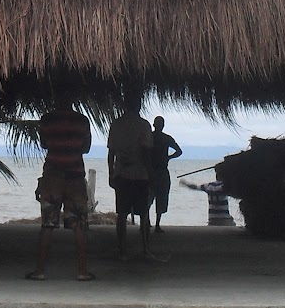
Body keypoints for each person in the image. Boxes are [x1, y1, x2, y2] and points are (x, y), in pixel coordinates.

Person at [27, 104, 95, 280]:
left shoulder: (47, 120)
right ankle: (82, 271)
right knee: (79, 224)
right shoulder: (82, 121)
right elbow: (86, 148)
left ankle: (40, 271)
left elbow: (44, 144)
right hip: (75, 176)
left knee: (47, 225)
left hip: (52, 175)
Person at [106, 98, 154, 260]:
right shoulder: (144, 125)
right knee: (144, 214)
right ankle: (146, 249)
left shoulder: (116, 125)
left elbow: (111, 153)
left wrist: (110, 173)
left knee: (122, 214)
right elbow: (146, 152)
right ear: (139, 106)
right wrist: (151, 174)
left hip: (121, 174)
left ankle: (122, 251)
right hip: (140, 175)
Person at [148, 115, 183, 232]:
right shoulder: (166, 138)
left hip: (151, 171)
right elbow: (179, 151)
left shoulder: (149, 137)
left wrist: (168, 158)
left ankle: (147, 222)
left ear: (154, 125)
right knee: (160, 198)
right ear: (162, 126)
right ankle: (156, 224)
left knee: (150, 198)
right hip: (160, 171)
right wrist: (168, 157)